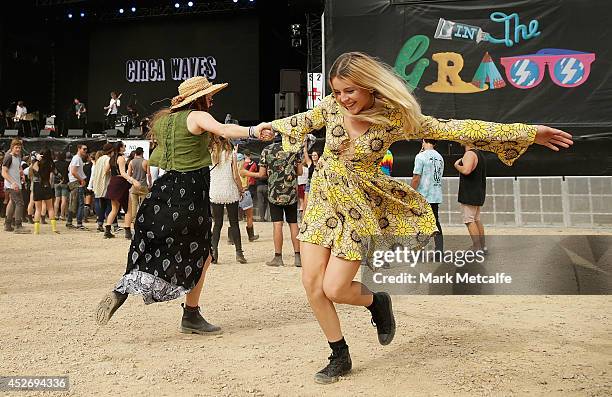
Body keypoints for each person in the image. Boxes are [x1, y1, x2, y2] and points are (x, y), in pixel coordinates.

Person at [259, 52, 573, 384]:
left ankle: (376, 302)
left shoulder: (397, 118)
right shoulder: (331, 108)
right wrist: (256, 128)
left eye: (349, 91)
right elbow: (297, 121)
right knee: (311, 284)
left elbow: (456, 128)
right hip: (323, 200)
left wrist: (524, 133)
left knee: (335, 288)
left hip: (359, 207)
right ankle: (339, 354)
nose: (343, 99)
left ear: (369, 86)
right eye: (337, 92)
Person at [95, 76, 273, 334]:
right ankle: (191, 314)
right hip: (190, 194)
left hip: (166, 188)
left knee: (159, 242)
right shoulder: (196, 117)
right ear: (198, 98)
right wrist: (254, 131)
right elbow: (224, 130)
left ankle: (124, 285)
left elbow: (154, 162)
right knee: (204, 255)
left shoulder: (166, 121)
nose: (212, 99)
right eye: (209, 95)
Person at [244, 139, 303, 267]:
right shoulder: (295, 148)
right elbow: (300, 172)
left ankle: (278, 257)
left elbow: (262, 174)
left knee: (277, 224)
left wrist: (246, 173)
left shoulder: (267, 150)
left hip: (274, 193)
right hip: (291, 193)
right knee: (293, 224)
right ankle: (298, 257)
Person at [209, 138, 247, 264]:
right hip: (230, 190)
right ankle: (239, 253)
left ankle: (214, 253)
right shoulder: (231, 155)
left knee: (217, 224)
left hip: (215, 192)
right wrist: (241, 189)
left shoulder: (211, 155)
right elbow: (236, 175)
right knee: (234, 223)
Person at [411, 139, 444, 252]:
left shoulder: (420, 156)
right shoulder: (440, 157)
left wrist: (411, 192)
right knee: (435, 223)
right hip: (435, 194)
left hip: (423, 195)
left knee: (420, 224)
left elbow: (416, 177)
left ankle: (418, 252)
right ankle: (439, 251)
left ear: (424, 141)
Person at [455, 144, 487, 252]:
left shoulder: (469, 154)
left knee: (469, 220)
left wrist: (456, 165)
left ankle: (477, 247)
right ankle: (483, 246)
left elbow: (466, 170)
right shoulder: (480, 154)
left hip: (469, 193)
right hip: (478, 191)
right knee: (476, 219)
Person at [102, 141, 135, 239]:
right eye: (124, 146)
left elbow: (106, 170)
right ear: (120, 148)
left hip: (113, 182)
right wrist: (133, 180)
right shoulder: (121, 158)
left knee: (114, 209)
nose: (125, 147)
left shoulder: (111, 158)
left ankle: (107, 231)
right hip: (120, 183)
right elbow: (123, 173)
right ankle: (128, 232)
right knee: (128, 209)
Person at [2, 139, 28, 233]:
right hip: (12, 185)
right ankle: (18, 226)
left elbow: (17, 168)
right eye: (16, 147)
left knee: (13, 203)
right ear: (12, 147)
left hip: (16, 184)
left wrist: (21, 174)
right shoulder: (8, 157)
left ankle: (8, 225)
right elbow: (4, 172)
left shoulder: (17, 157)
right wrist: (12, 182)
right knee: (20, 203)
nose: (18, 149)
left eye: (19, 148)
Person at [125, 147, 151, 238]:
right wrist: (150, 184)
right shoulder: (145, 162)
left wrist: (132, 181)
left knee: (133, 208)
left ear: (136, 153)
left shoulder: (131, 162)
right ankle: (143, 226)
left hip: (134, 186)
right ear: (142, 153)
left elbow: (128, 174)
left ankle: (134, 228)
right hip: (143, 186)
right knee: (144, 207)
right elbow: (148, 174)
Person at [31, 149, 58, 234]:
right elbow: (57, 173)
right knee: (50, 208)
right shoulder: (51, 164)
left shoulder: (36, 163)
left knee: (38, 209)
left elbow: (32, 154)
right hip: (47, 185)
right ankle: (54, 229)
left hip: (37, 186)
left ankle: (36, 230)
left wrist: (36, 157)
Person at [90, 144, 113, 233]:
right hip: (106, 184)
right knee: (110, 206)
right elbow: (107, 169)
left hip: (99, 185)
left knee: (102, 205)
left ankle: (100, 223)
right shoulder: (108, 159)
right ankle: (110, 224)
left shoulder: (99, 159)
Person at [236, 152, 259, 242]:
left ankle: (231, 238)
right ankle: (251, 236)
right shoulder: (243, 170)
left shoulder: (232, 171)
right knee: (249, 216)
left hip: (235, 194)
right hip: (244, 193)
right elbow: (255, 175)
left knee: (233, 217)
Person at [66, 144, 88, 230]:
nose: (85, 151)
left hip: (74, 182)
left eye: (86, 149)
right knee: (80, 203)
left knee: (73, 203)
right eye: (84, 149)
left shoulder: (76, 159)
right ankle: (79, 223)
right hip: (77, 182)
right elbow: (73, 172)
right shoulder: (77, 159)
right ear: (79, 149)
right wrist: (81, 180)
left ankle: (69, 221)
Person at [53, 151, 71, 221]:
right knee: (64, 200)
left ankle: (55, 215)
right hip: (64, 182)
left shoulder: (55, 163)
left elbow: (53, 172)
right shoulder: (67, 164)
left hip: (56, 183)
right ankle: (62, 215)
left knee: (57, 200)